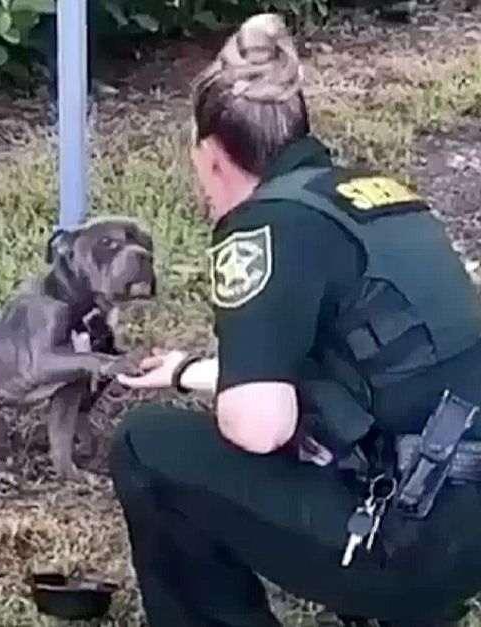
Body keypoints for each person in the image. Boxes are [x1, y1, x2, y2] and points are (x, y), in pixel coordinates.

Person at [110, 13, 481, 627]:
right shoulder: (374, 195)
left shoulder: (260, 227)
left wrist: (229, 395)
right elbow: (374, 367)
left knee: (146, 445)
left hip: (410, 543)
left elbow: (258, 425)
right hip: (459, 511)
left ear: (211, 155)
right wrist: (188, 372)